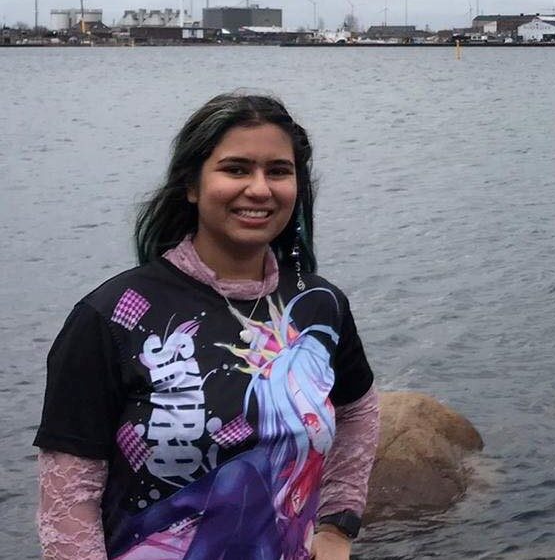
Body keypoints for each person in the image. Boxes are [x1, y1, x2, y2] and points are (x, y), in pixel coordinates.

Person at [35, 93, 381, 559]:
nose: (259, 189)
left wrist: (338, 523)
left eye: (278, 171)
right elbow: (68, 495)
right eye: (236, 169)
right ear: (192, 185)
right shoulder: (111, 316)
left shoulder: (318, 306)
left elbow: (358, 409)